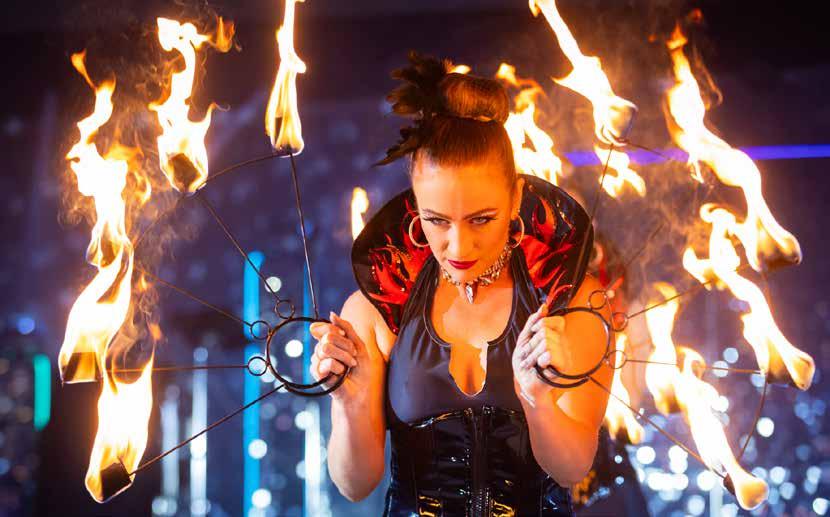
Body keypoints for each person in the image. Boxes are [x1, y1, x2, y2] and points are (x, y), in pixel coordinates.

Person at [309, 52, 613, 516]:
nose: (458, 245)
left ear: (516, 198)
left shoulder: (571, 301)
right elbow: (355, 485)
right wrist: (349, 401)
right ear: (415, 205)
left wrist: (538, 400)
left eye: (481, 219)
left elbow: (572, 468)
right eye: (436, 220)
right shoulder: (375, 308)